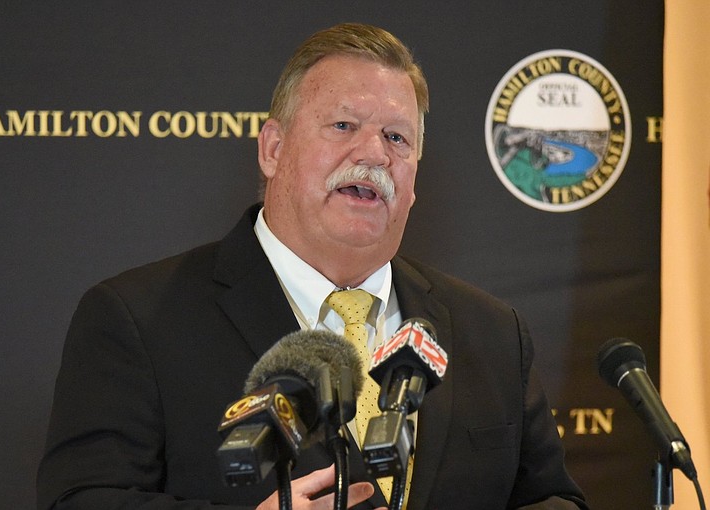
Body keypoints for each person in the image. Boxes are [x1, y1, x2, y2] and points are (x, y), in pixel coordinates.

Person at [37, 23, 588, 510]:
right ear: (273, 149)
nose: (375, 155)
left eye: (397, 138)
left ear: (416, 180)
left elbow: (551, 499)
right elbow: (81, 500)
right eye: (344, 126)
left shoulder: (489, 332)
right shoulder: (138, 319)